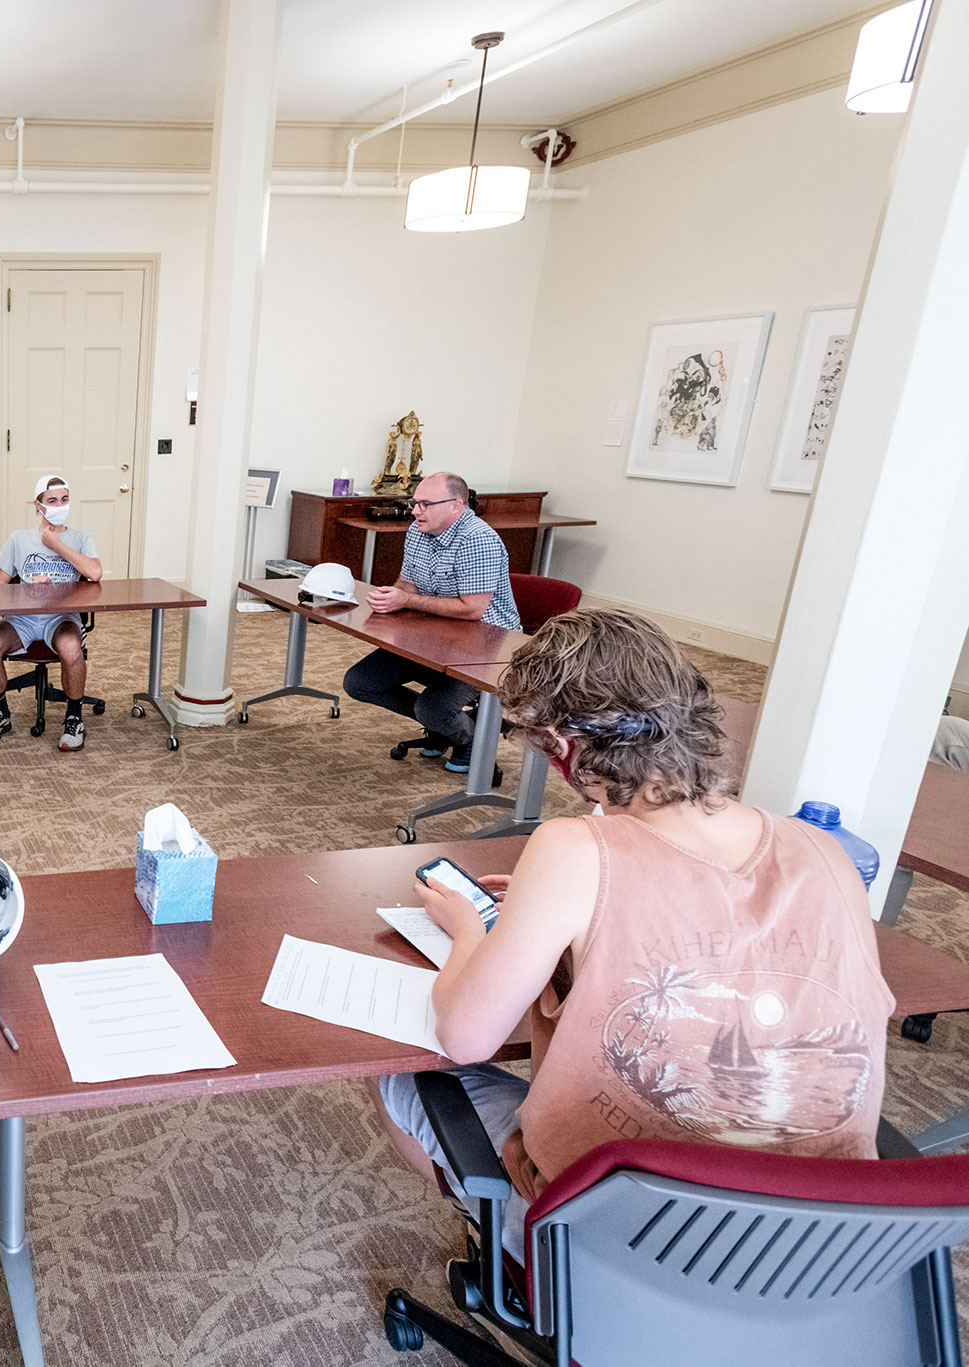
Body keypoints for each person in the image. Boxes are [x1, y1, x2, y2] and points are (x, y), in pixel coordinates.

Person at [372, 610, 895, 1255]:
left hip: (632, 1241)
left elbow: (466, 1036)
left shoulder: (572, 848)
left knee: (400, 1076)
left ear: (565, 750)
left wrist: (467, 931)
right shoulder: (825, 851)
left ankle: (512, 1257)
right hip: (823, 1240)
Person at [343, 471, 521, 773]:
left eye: (425, 504)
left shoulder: (479, 540)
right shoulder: (418, 531)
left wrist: (407, 601)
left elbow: (472, 609)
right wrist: (392, 596)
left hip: (485, 648)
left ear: (456, 505)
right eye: (414, 503)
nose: (415, 511)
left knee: (433, 709)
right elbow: (408, 583)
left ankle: (473, 740)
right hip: (434, 634)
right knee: (359, 683)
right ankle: (450, 727)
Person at [0, 475, 103, 753]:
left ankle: (74, 719)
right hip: (22, 618)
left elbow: (94, 573)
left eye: (64, 500)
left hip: (62, 619)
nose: (60, 505)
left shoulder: (81, 538)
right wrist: (27, 590)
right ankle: (0, 714)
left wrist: (57, 545)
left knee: (71, 647)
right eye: (52, 501)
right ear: (38, 506)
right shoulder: (19, 539)